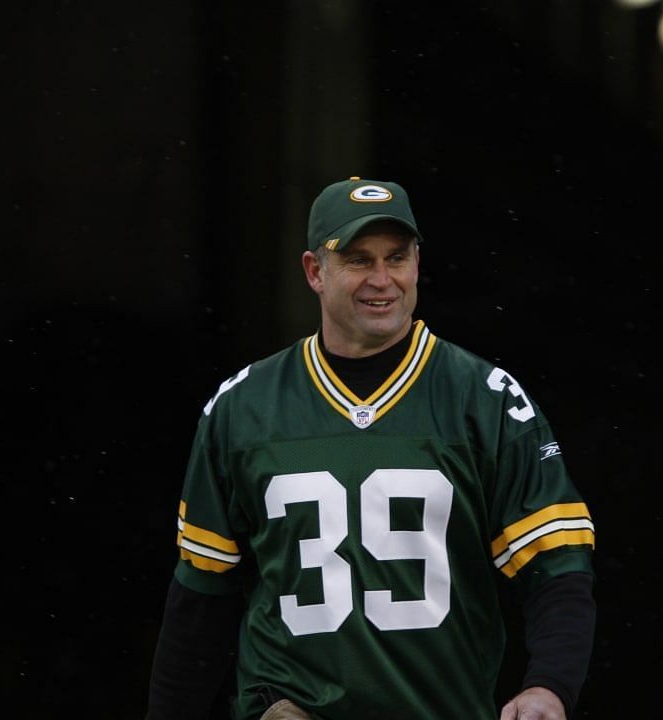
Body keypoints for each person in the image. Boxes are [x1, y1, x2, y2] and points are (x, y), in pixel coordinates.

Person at [147, 177, 597, 720]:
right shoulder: (243, 408)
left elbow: (554, 564)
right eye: (358, 260)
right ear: (316, 271)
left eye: (397, 258)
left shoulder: (485, 399)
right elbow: (201, 596)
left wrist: (549, 684)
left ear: (417, 264)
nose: (382, 280)